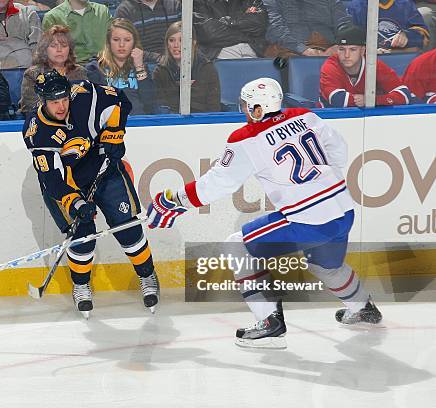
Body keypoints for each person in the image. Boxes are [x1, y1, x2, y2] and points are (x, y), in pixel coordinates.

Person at [146, 77, 383, 349]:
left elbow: (219, 183)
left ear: (258, 109)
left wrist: (175, 199)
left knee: (237, 246)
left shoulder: (246, 138)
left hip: (309, 220)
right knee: (325, 265)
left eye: (246, 106)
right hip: (343, 210)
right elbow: (338, 151)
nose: (243, 111)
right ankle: (362, 307)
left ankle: (269, 321)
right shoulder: (305, 116)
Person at [22, 70, 160, 318]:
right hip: (67, 184)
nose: (61, 105)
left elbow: (120, 100)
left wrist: (114, 135)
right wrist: (74, 202)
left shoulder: (86, 94)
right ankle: (81, 285)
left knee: (126, 226)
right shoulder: (37, 132)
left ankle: (147, 275)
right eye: (54, 102)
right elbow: (52, 179)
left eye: (64, 99)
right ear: (42, 101)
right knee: (82, 235)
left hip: (104, 170)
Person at [319, 25, 412, 107]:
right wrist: (366, 101)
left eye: (353, 49)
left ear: (362, 51)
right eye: (342, 49)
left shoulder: (373, 65)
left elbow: (404, 95)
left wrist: (373, 100)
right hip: (330, 120)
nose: (346, 55)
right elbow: (338, 99)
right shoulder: (330, 65)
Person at [86, 18, 155, 114]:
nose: (121, 45)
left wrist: (139, 67)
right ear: (108, 42)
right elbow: (91, 104)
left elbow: (149, 102)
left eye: (127, 40)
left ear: (134, 43)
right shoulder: (95, 68)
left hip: (138, 122)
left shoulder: (141, 67)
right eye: (116, 40)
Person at [153, 21, 220, 113]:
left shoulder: (206, 68)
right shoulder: (161, 71)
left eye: (182, 40)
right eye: (171, 40)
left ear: (193, 43)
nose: (176, 45)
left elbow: (213, 108)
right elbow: (160, 107)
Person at [20, 25, 87, 114]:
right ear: (44, 49)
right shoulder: (33, 74)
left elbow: (85, 103)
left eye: (64, 46)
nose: (59, 50)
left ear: (69, 50)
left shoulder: (79, 72)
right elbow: (29, 107)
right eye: (53, 46)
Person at [262, 0, 350, 57]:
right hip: (288, 49)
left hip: (327, 48)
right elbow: (275, 28)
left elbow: (344, 24)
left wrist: (340, 45)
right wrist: (304, 50)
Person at [193, 0, 268, 60]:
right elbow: (210, 33)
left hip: (253, 51)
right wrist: (246, 36)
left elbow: (259, 24)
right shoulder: (198, 2)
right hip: (218, 53)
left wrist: (227, 22)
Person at [346, 0, 430, 52]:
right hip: (367, 61)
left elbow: (424, 39)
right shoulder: (356, 7)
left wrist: (407, 37)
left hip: (399, 57)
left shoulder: (406, 4)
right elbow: (350, 40)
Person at [42, 0, 111, 63]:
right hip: (71, 69)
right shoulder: (52, 17)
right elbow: (49, 55)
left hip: (106, 67)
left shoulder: (103, 11)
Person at [115, 0, 182, 64]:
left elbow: (188, 39)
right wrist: (158, 58)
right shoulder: (124, 11)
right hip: (142, 64)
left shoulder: (175, 5)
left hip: (176, 62)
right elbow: (124, 48)